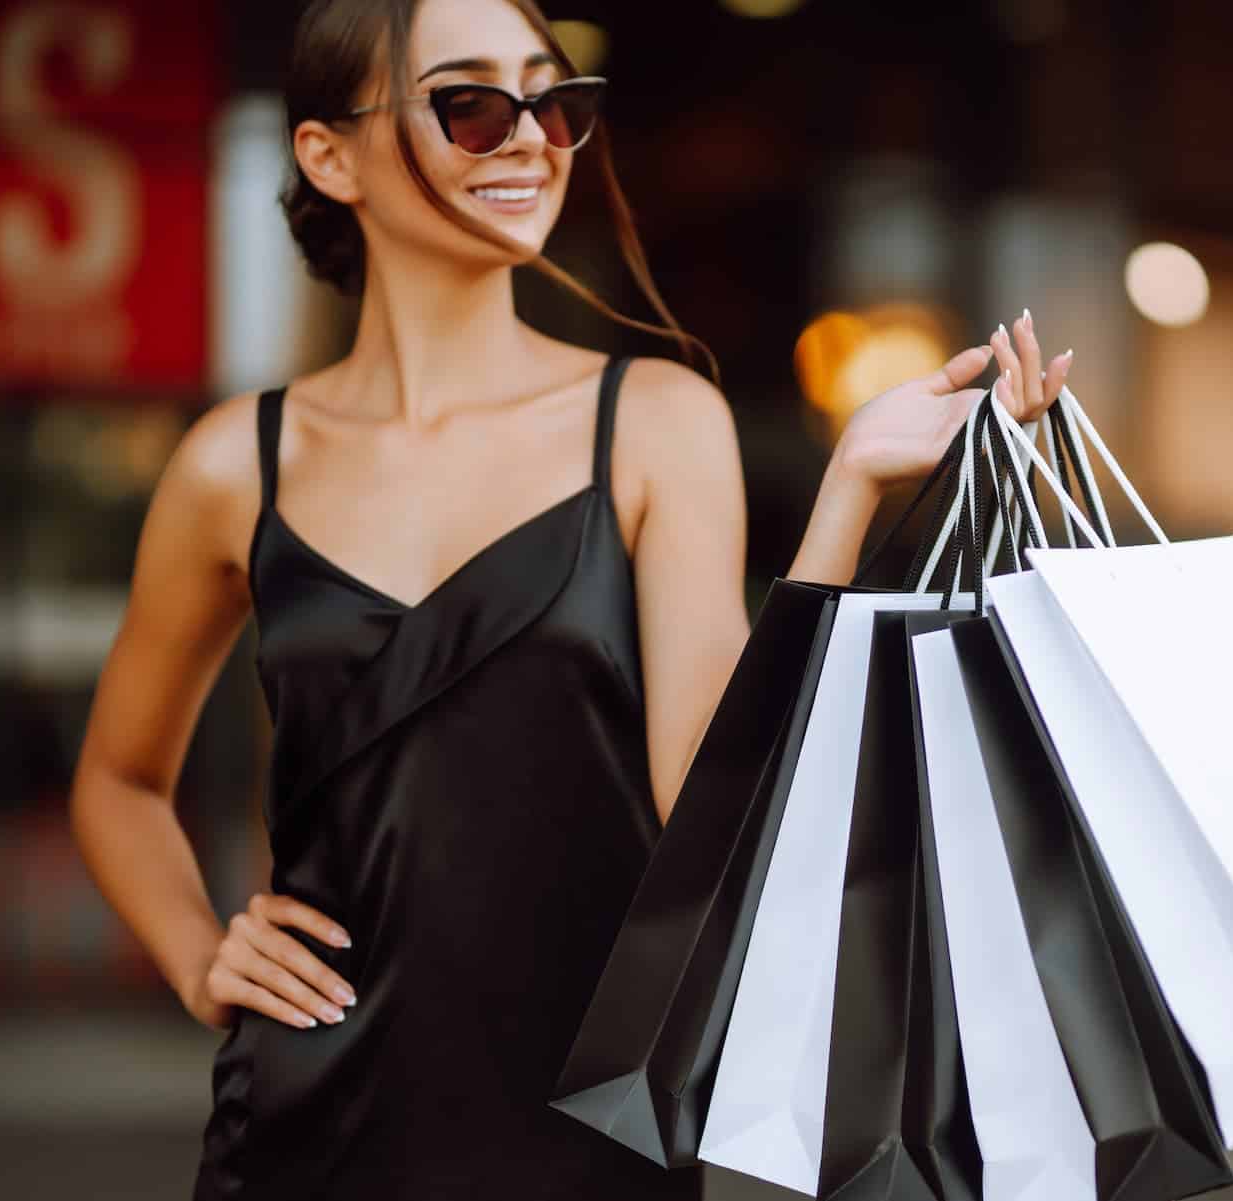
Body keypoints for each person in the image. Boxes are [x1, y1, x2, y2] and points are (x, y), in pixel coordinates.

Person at [68, 0, 1069, 1197]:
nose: (531, 136)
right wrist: (196, 958)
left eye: (553, 101)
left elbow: (714, 812)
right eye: (472, 103)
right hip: (302, 1131)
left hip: (588, 1132)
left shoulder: (652, 422)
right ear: (329, 155)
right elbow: (118, 780)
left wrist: (849, 492)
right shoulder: (238, 464)